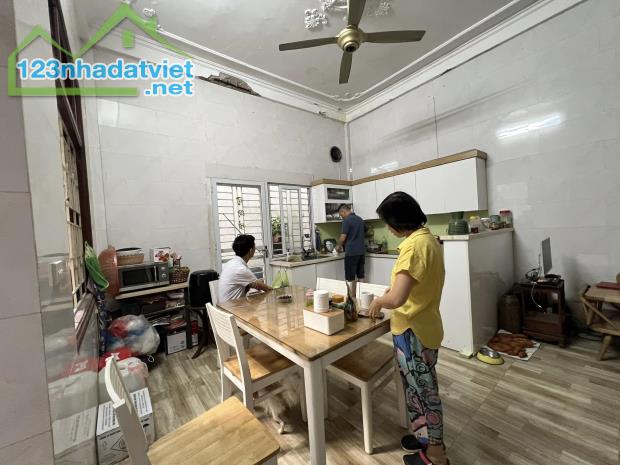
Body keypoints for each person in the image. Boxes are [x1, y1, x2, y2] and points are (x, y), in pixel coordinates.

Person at [367, 192, 448, 465]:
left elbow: (398, 299)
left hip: (414, 332)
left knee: (425, 393)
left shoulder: (413, 247)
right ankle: (424, 438)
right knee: (416, 390)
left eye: (388, 222)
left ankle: (436, 455)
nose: (388, 228)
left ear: (399, 221)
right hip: (425, 326)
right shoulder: (428, 239)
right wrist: (391, 293)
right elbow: (412, 287)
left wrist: (380, 301)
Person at [219, 234, 273, 302]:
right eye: (255, 247)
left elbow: (254, 284)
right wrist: (276, 292)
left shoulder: (231, 263)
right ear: (251, 250)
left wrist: (256, 284)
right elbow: (267, 289)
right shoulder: (241, 269)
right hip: (231, 307)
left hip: (223, 306)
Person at [336, 204, 366, 295]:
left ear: (343, 211)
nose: (341, 217)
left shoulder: (346, 221)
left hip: (351, 252)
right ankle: (362, 296)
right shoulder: (360, 219)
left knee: (350, 277)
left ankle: (351, 298)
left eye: (341, 215)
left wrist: (338, 246)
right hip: (361, 252)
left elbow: (343, 237)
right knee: (361, 275)